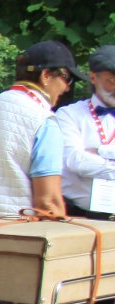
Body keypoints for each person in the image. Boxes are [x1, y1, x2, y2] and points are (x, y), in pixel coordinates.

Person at [0, 41, 82, 220]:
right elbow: (47, 203)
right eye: (67, 78)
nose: (68, 87)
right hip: (18, 232)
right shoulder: (44, 121)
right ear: (46, 75)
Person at [52, 44, 115, 220]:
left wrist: (100, 151)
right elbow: (76, 161)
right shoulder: (68, 114)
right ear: (93, 77)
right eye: (112, 80)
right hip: (79, 216)